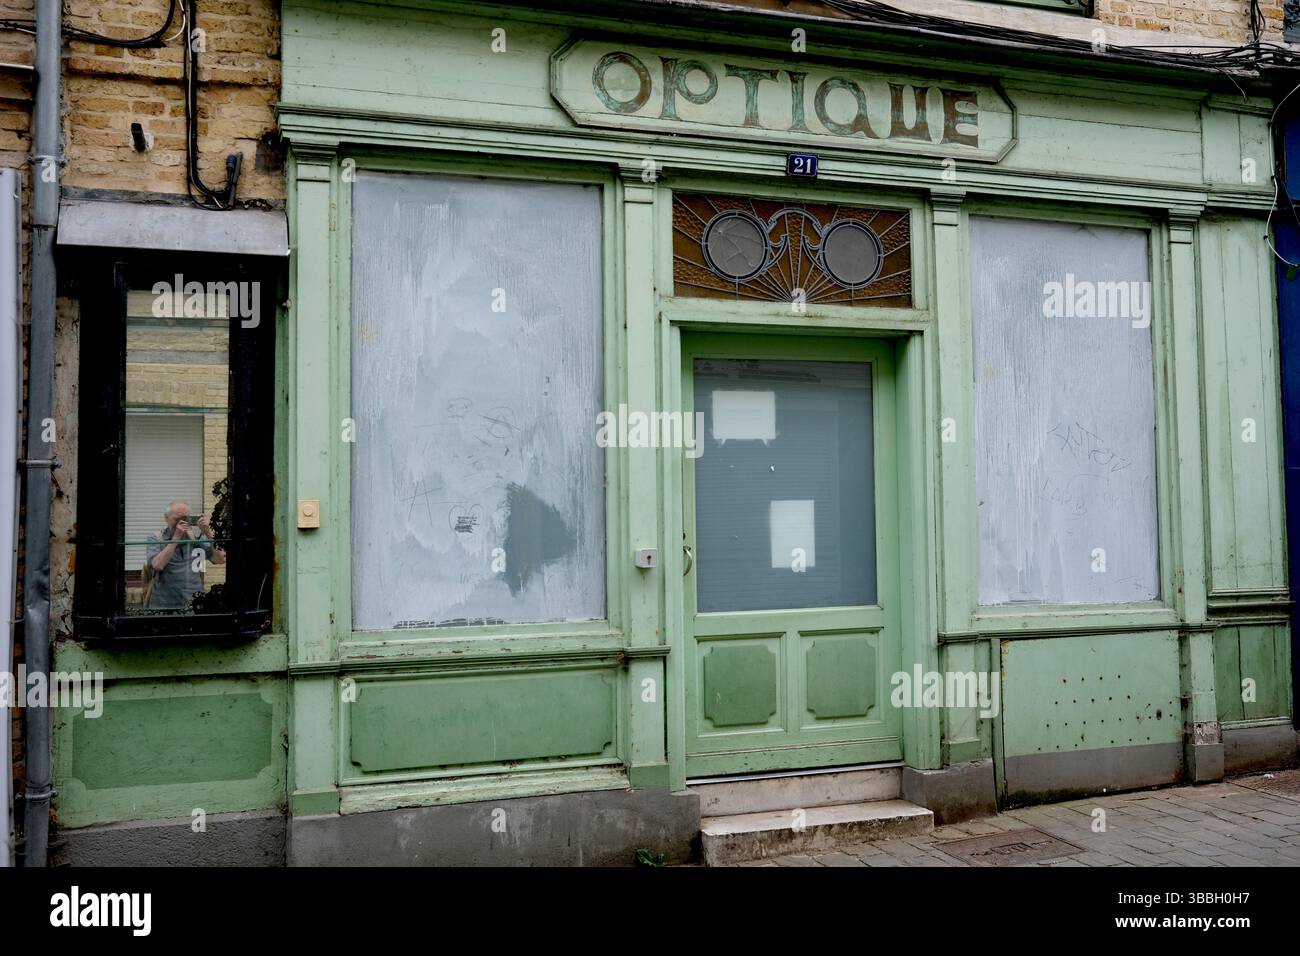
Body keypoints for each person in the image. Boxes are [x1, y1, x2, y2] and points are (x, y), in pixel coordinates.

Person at [145, 500, 226, 610]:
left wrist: (208, 533)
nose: (181, 523)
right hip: (163, 604)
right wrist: (176, 538)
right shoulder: (156, 538)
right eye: (177, 519)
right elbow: (158, 565)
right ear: (166, 518)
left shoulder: (195, 539)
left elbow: (220, 559)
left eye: (185, 519)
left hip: (194, 603)